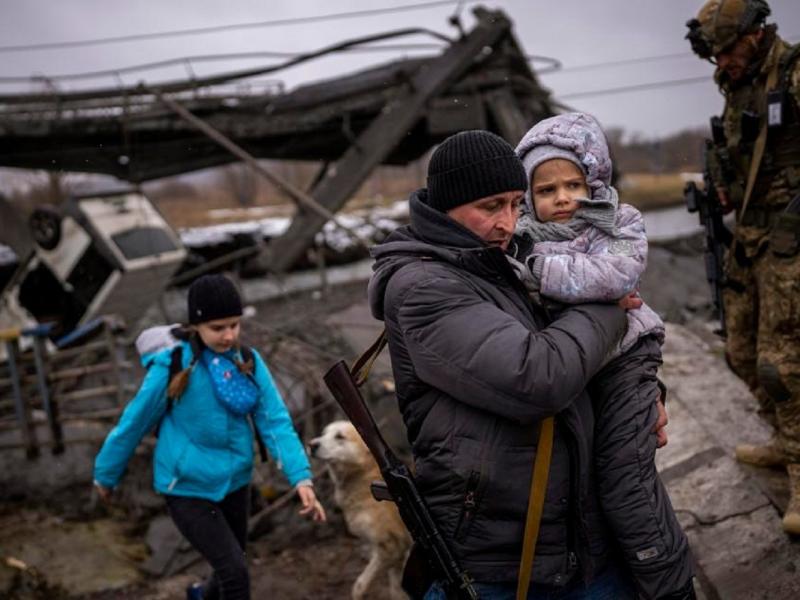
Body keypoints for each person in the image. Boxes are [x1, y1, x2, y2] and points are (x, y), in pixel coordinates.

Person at [368, 130, 649, 599]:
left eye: (517, 204)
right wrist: (609, 304)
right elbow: (538, 376)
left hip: (569, 536)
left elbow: (577, 355)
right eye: (492, 206)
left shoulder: (499, 259)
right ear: (447, 207)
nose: (508, 221)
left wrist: (643, 395)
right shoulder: (423, 286)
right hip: (502, 556)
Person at [512, 112, 694, 599]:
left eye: (574, 184)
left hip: (627, 359)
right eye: (547, 190)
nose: (563, 198)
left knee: (624, 480)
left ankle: (670, 584)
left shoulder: (620, 222)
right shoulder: (521, 236)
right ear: (529, 196)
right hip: (578, 366)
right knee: (586, 484)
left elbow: (614, 278)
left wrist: (537, 272)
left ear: (593, 179)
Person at [93, 274, 326, 600]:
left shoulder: (247, 361)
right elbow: (134, 422)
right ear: (196, 326)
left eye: (234, 324)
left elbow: (275, 422)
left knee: (229, 566)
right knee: (236, 575)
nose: (229, 335)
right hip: (186, 486)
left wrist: (301, 478)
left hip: (236, 483)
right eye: (218, 328)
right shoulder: (174, 366)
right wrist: (106, 474)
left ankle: (200, 596)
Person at [686, 0, 800, 534]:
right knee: (741, 350)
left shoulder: (794, 73)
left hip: (791, 241)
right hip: (752, 238)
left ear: (755, 35)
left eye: (727, 50)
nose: (720, 63)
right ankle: (785, 438)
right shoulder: (736, 87)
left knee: (783, 361)